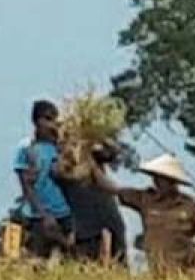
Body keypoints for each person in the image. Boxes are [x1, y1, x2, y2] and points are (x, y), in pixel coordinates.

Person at [99, 154, 195, 276]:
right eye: (155, 177)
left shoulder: (192, 207)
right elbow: (113, 189)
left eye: (161, 178)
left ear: (173, 181)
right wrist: (91, 165)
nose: (156, 181)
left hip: (183, 275)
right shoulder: (146, 199)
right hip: (155, 273)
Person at [12, 100, 74, 260]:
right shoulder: (27, 149)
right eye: (48, 119)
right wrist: (44, 215)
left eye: (54, 120)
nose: (52, 125)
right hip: (39, 216)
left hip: (64, 212)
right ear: (37, 122)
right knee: (38, 260)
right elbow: (27, 187)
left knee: (67, 259)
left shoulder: (60, 147)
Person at [58, 143, 128, 265]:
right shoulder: (62, 163)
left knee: (117, 256)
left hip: (106, 213)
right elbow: (61, 172)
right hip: (84, 222)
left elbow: (112, 153)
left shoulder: (94, 158)